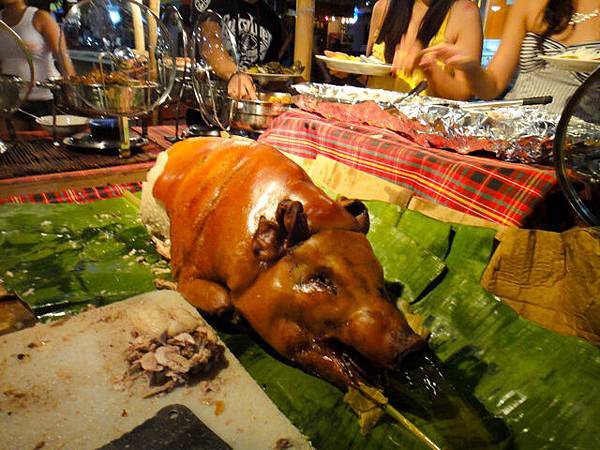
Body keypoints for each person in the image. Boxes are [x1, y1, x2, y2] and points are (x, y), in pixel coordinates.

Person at [424, 0, 600, 113]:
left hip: (576, 144)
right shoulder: (530, 4)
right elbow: (491, 87)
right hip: (514, 128)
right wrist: (470, 68)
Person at [362, 0, 482, 99]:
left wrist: (429, 67)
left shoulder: (465, 12)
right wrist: (349, 70)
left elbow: (464, 94)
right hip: (370, 121)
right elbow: (369, 73)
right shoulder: (383, 7)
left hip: (424, 125)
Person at [191, 0, 283, 100]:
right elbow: (208, 40)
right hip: (209, 102)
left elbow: (270, 71)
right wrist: (233, 74)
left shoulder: (272, 19)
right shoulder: (213, 2)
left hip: (250, 105)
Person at [0, 0, 70, 121]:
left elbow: (63, 58)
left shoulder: (40, 17)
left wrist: (73, 96)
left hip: (45, 98)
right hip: (11, 102)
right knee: (13, 139)